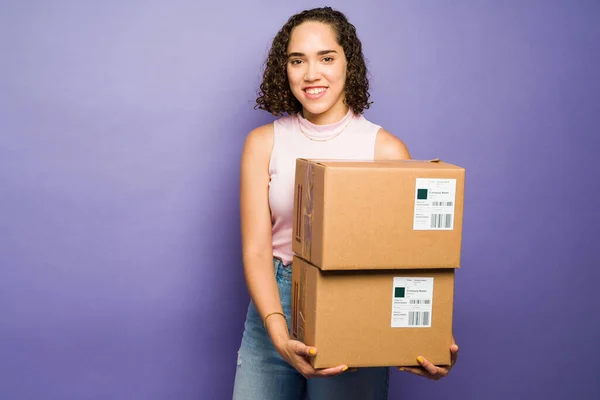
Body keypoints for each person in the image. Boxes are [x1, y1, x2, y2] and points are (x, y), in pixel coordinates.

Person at [232, 6, 459, 399]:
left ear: (347, 65)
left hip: (352, 303)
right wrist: (278, 330)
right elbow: (255, 248)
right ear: (284, 69)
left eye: (326, 58)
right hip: (275, 299)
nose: (311, 73)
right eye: (297, 60)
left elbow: (411, 257)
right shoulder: (263, 143)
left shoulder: (385, 149)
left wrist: (433, 333)